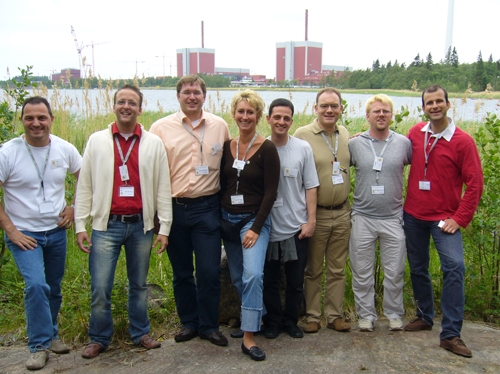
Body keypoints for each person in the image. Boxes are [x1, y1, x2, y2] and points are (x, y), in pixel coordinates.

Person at [75, 84, 172, 359]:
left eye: (132, 102)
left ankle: (140, 333)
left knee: (139, 285)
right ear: (114, 106)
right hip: (106, 226)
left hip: (141, 226)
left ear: (140, 109)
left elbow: (163, 187)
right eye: (121, 102)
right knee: (101, 286)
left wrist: (164, 228)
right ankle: (99, 337)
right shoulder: (97, 141)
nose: (126, 106)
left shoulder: (153, 143)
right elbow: (85, 186)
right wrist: (80, 224)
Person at [0, 96, 81, 370]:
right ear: (22, 120)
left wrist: (74, 207)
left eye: (41, 118)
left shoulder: (65, 148)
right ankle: (38, 345)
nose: (36, 123)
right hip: (24, 234)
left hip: (56, 231)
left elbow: (86, 178)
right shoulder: (8, 152)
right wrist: (11, 230)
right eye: (29, 118)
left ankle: (52, 335)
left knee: (53, 287)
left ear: (51, 120)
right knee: (36, 285)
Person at [403, 85, 483, 358]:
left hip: (444, 219)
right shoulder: (415, 133)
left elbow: (475, 185)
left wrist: (460, 218)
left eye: (439, 101)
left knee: (454, 267)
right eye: (429, 102)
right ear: (423, 107)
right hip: (413, 215)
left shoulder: (463, 141)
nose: (434, 106)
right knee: (418, 268)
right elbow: (392, 150)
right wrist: (363, 139)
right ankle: (425, 316)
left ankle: (450, 334)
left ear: (449, 104)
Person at [149, 75, 230, 347]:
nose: (192, 96)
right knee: (181, 271)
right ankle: (189, 323)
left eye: (196, 92)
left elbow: (231, 162)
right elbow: (152, 173)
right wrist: (157, 217)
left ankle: (209, 325)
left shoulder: (219, 126)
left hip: (207, 207)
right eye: (186, 92)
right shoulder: (160, 128)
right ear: (179, 96)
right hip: (173, 209)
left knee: (208, 270)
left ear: (204, 96)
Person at [220, 89, 280, 361]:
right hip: (227, 221)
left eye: (250, 112)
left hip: (252, 222)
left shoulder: (267, 149)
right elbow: (222, 184)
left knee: (253, 274)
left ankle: (248, 337)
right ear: (234, 114)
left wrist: (256, 227)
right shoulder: (227, 147)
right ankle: (259, 317)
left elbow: (271, 193)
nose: (245, 116)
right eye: (241, 111)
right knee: (236, 277)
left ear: (258, 116)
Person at [348, 94, 412, 332]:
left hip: (393, 218)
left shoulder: (404, 144)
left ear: (391, 115)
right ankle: (366, 315)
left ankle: (394, 313)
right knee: (362, 271)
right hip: (362, 216)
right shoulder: (354, 144)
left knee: (395, 271)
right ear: (368, 116)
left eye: (385, 111)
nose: (381, 115)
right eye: (376, 111)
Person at [294, 88, 352, 333]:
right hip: (315, 214)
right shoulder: (302, 135)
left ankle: (334, 315)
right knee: (314, 268)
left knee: (338, 268)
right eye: (324, 106)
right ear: (315, 108)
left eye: (335, 106)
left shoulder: (346, 134)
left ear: (341, 109)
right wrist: (308, 217)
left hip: (342, 212)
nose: (330, 110)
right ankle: (313, 316)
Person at [263, 98, 319, 339]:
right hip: (268, 227)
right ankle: (274, 321)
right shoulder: (260, 147)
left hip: (297, 227)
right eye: (277, 117)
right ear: (268, 119)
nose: (281, 122)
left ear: (292, 121)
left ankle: (291, 321)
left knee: (296, 280)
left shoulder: (302, 148)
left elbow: (311, 186)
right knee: (271, 280)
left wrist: (311, 221)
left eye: (286, 118)